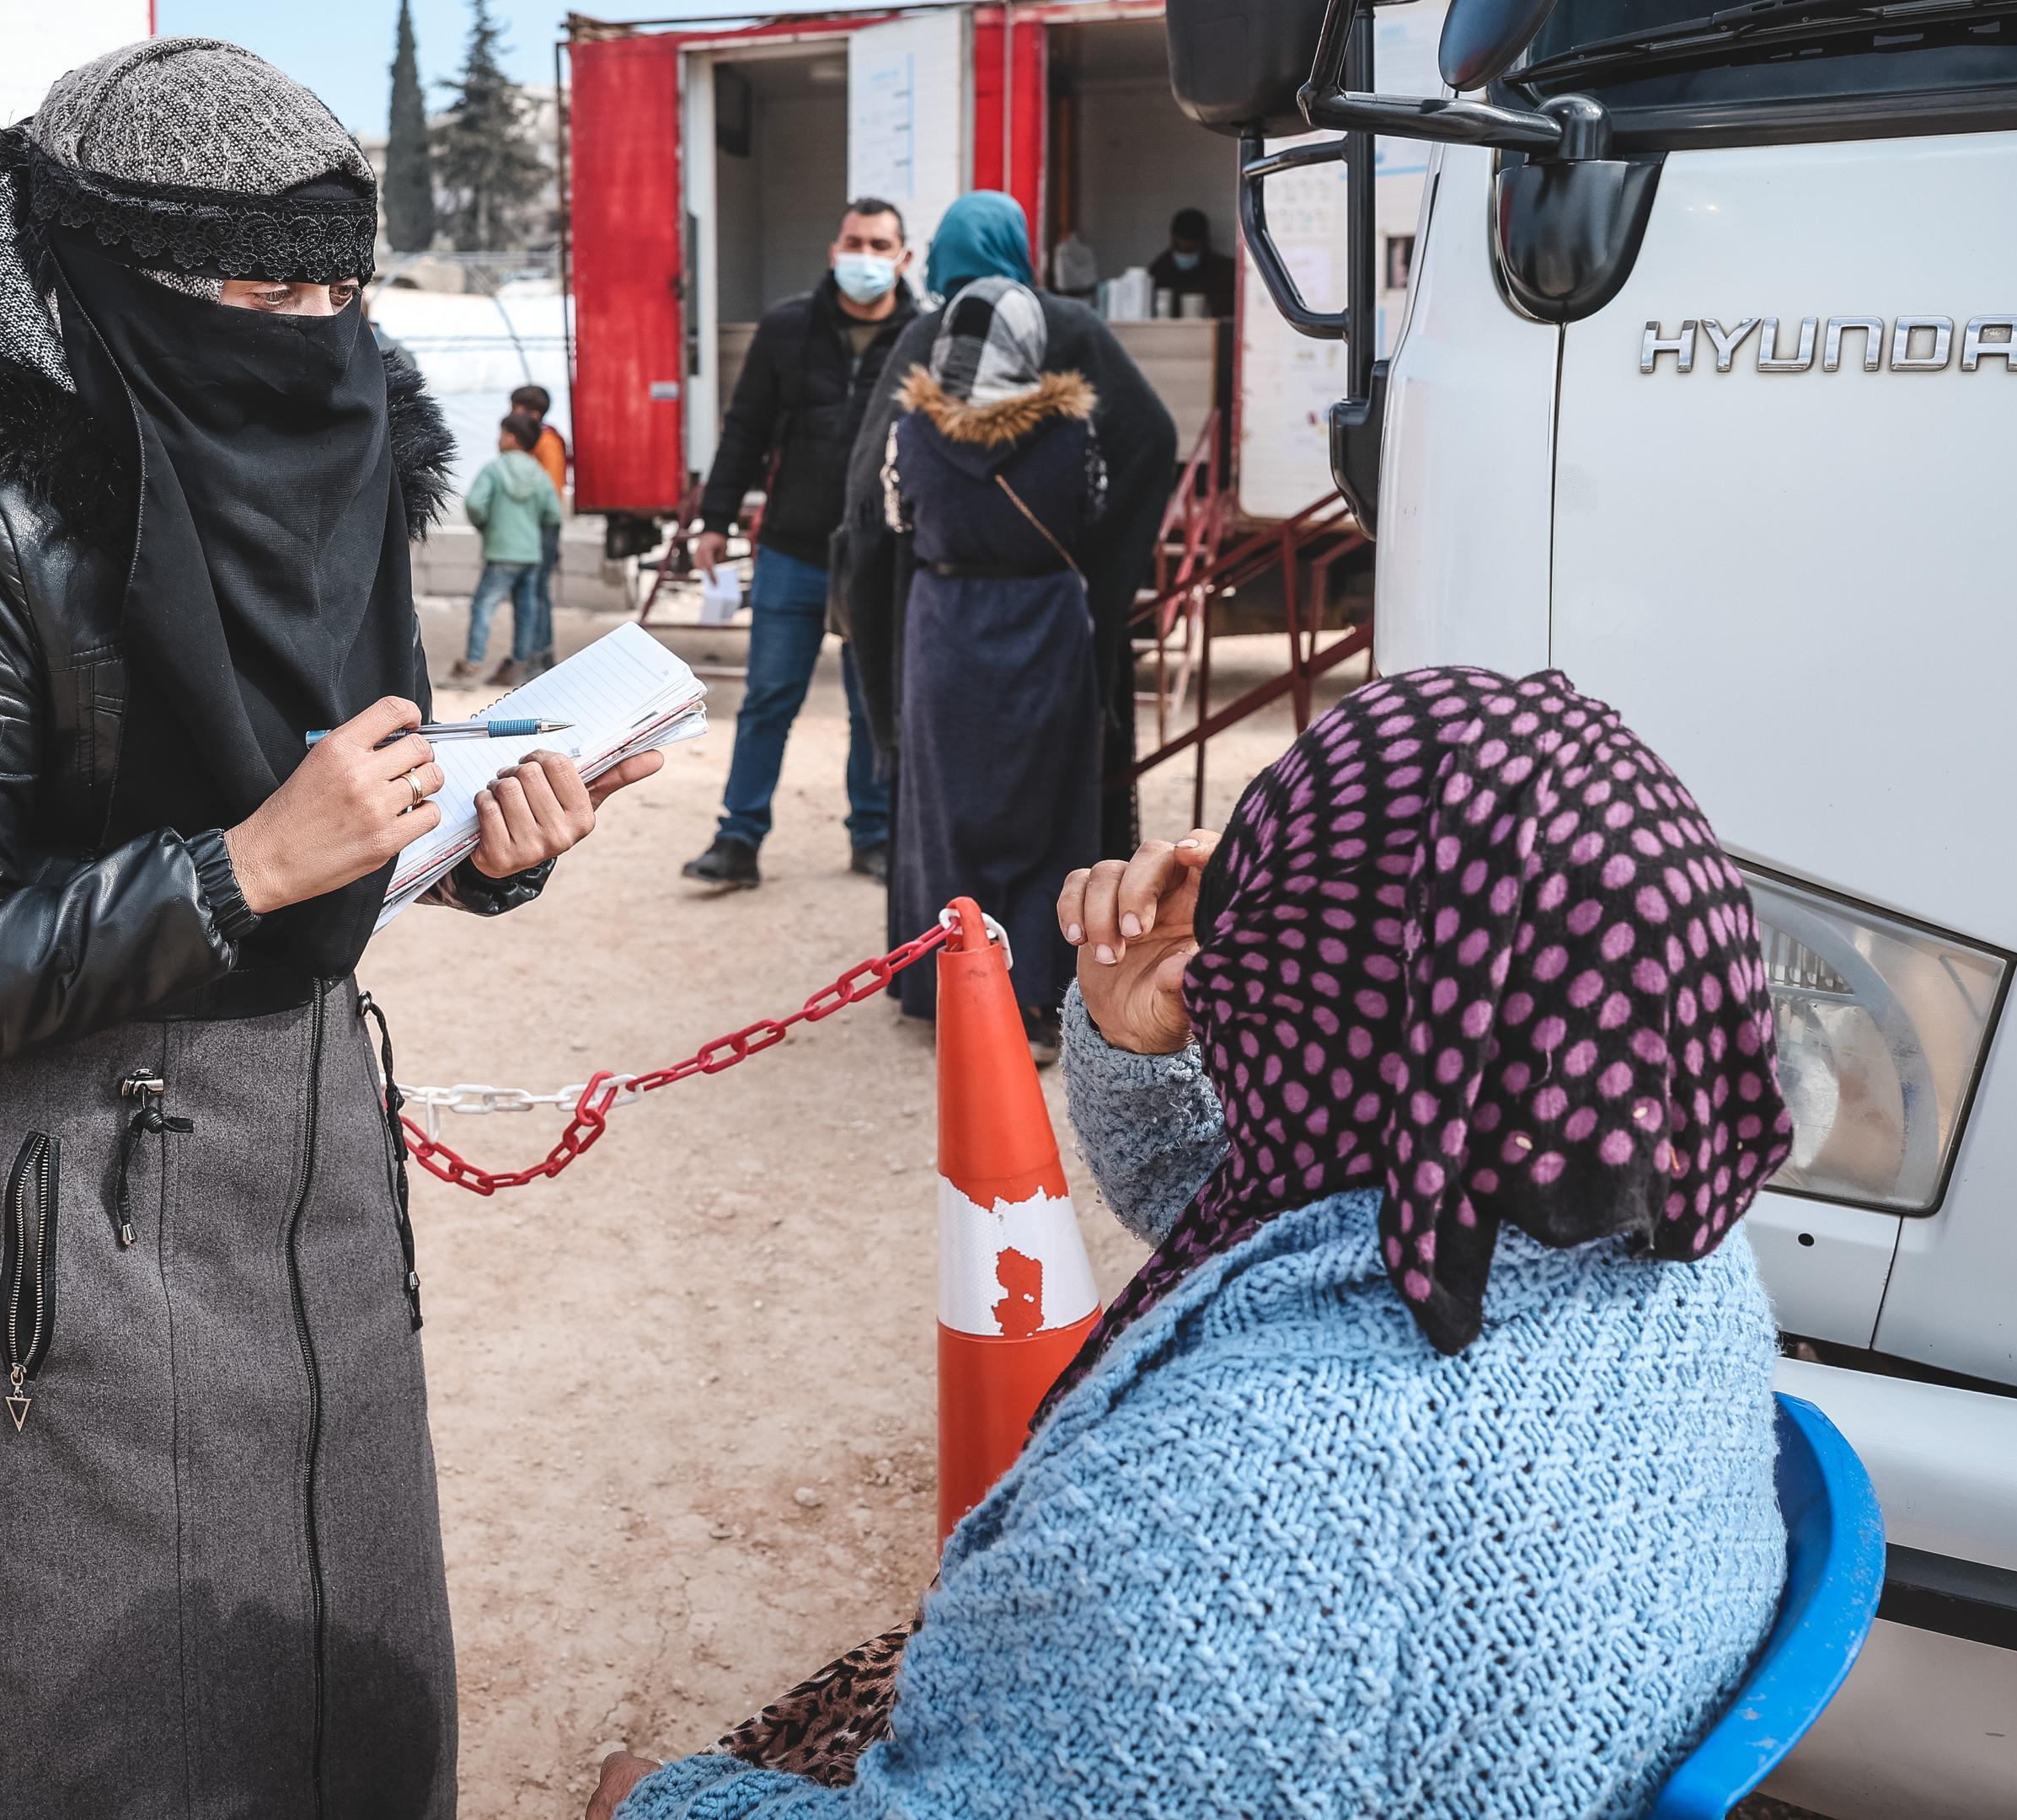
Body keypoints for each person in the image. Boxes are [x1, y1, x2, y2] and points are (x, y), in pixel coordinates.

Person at [0, 35, 661, 1820]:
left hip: (316, 1184)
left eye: (338, 288)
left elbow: (358, 796)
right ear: (116, 276)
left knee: (349, 1681)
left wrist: (483, 829)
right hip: (67, 1218)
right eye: (261, 287)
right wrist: (236, 870)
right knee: (110, 1730)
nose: (310, 331)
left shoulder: (340, 456)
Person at [589, 668, 1795, 1819]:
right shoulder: (1642, 1239)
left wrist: (657, 1804)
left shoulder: (1215, 1523)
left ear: (1318, 978)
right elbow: (1244, 1209)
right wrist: (1130, 1031)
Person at [838, 192, 1176, 962]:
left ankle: (945, 972)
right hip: (1056, 609)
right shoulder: (1070, 329)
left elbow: (867, 496)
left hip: (935, 606)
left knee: (943, 803)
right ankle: (1050, 974)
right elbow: (1147, 439)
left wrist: (884, 589)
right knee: (1052, 796)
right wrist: (1094, 567)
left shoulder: (929, 333)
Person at [876, 276, 1107, 1060]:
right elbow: (1095, 512)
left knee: (948, 814)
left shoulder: (909, 432)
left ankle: (951, 995)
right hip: (1044, 623)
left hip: (946, 626)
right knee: (1048, 809)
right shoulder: (1073, 435)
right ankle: (1035, 997)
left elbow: (897, 520)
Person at [682, 199, 923, 891]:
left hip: (878, 555)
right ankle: (738, 838)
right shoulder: (788, 328)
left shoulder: (922, 335)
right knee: (769, 697)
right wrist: (715, 520)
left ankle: (873, 835)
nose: (866, 256)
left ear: (903, 258)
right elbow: (745, 430)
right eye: (854, 241)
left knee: (869, 702)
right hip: (791, 547)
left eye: (881, 244)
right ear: (832, 247)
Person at [457, 414, 563, 683]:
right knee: (526, 609)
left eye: (501, 433)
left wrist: (487, 526)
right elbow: (552, 514)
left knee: (484, 606)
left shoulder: (494, 469)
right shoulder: (539, 473)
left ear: (511, 438)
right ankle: (518, 665)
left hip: (501, 551)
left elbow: (474, 504)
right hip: (530, 553)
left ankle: (472, 664)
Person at [511, 381, 568, 672]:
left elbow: (551, 489)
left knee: (536, 592)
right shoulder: (533, 441)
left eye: (517, 408)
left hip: (541, 527)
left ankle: (542, 654)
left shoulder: (547, 443)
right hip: (529, 526)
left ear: (532, 413)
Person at [1146, 204, 1237, 318]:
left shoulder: (1225, 271)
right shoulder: (1159, 270)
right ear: (1172, 241)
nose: (1185, 254)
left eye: (1190, 250)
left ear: (1203, 244)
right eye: (1180, 249)